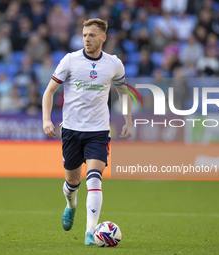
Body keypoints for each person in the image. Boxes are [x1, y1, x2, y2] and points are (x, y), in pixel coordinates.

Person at [42, 18, 132, 246]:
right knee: (73, 183)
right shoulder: (70, 60)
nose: (87, 39)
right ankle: (71, 205)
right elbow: (49, 92)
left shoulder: (114, 64)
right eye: (84, 35)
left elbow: (124, 92)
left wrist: (128, 120)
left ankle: (90, 233)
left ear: (103, 37)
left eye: (92, 35)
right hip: (71, 131)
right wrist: (46, 120)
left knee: (95, 179)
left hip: (99, 131)